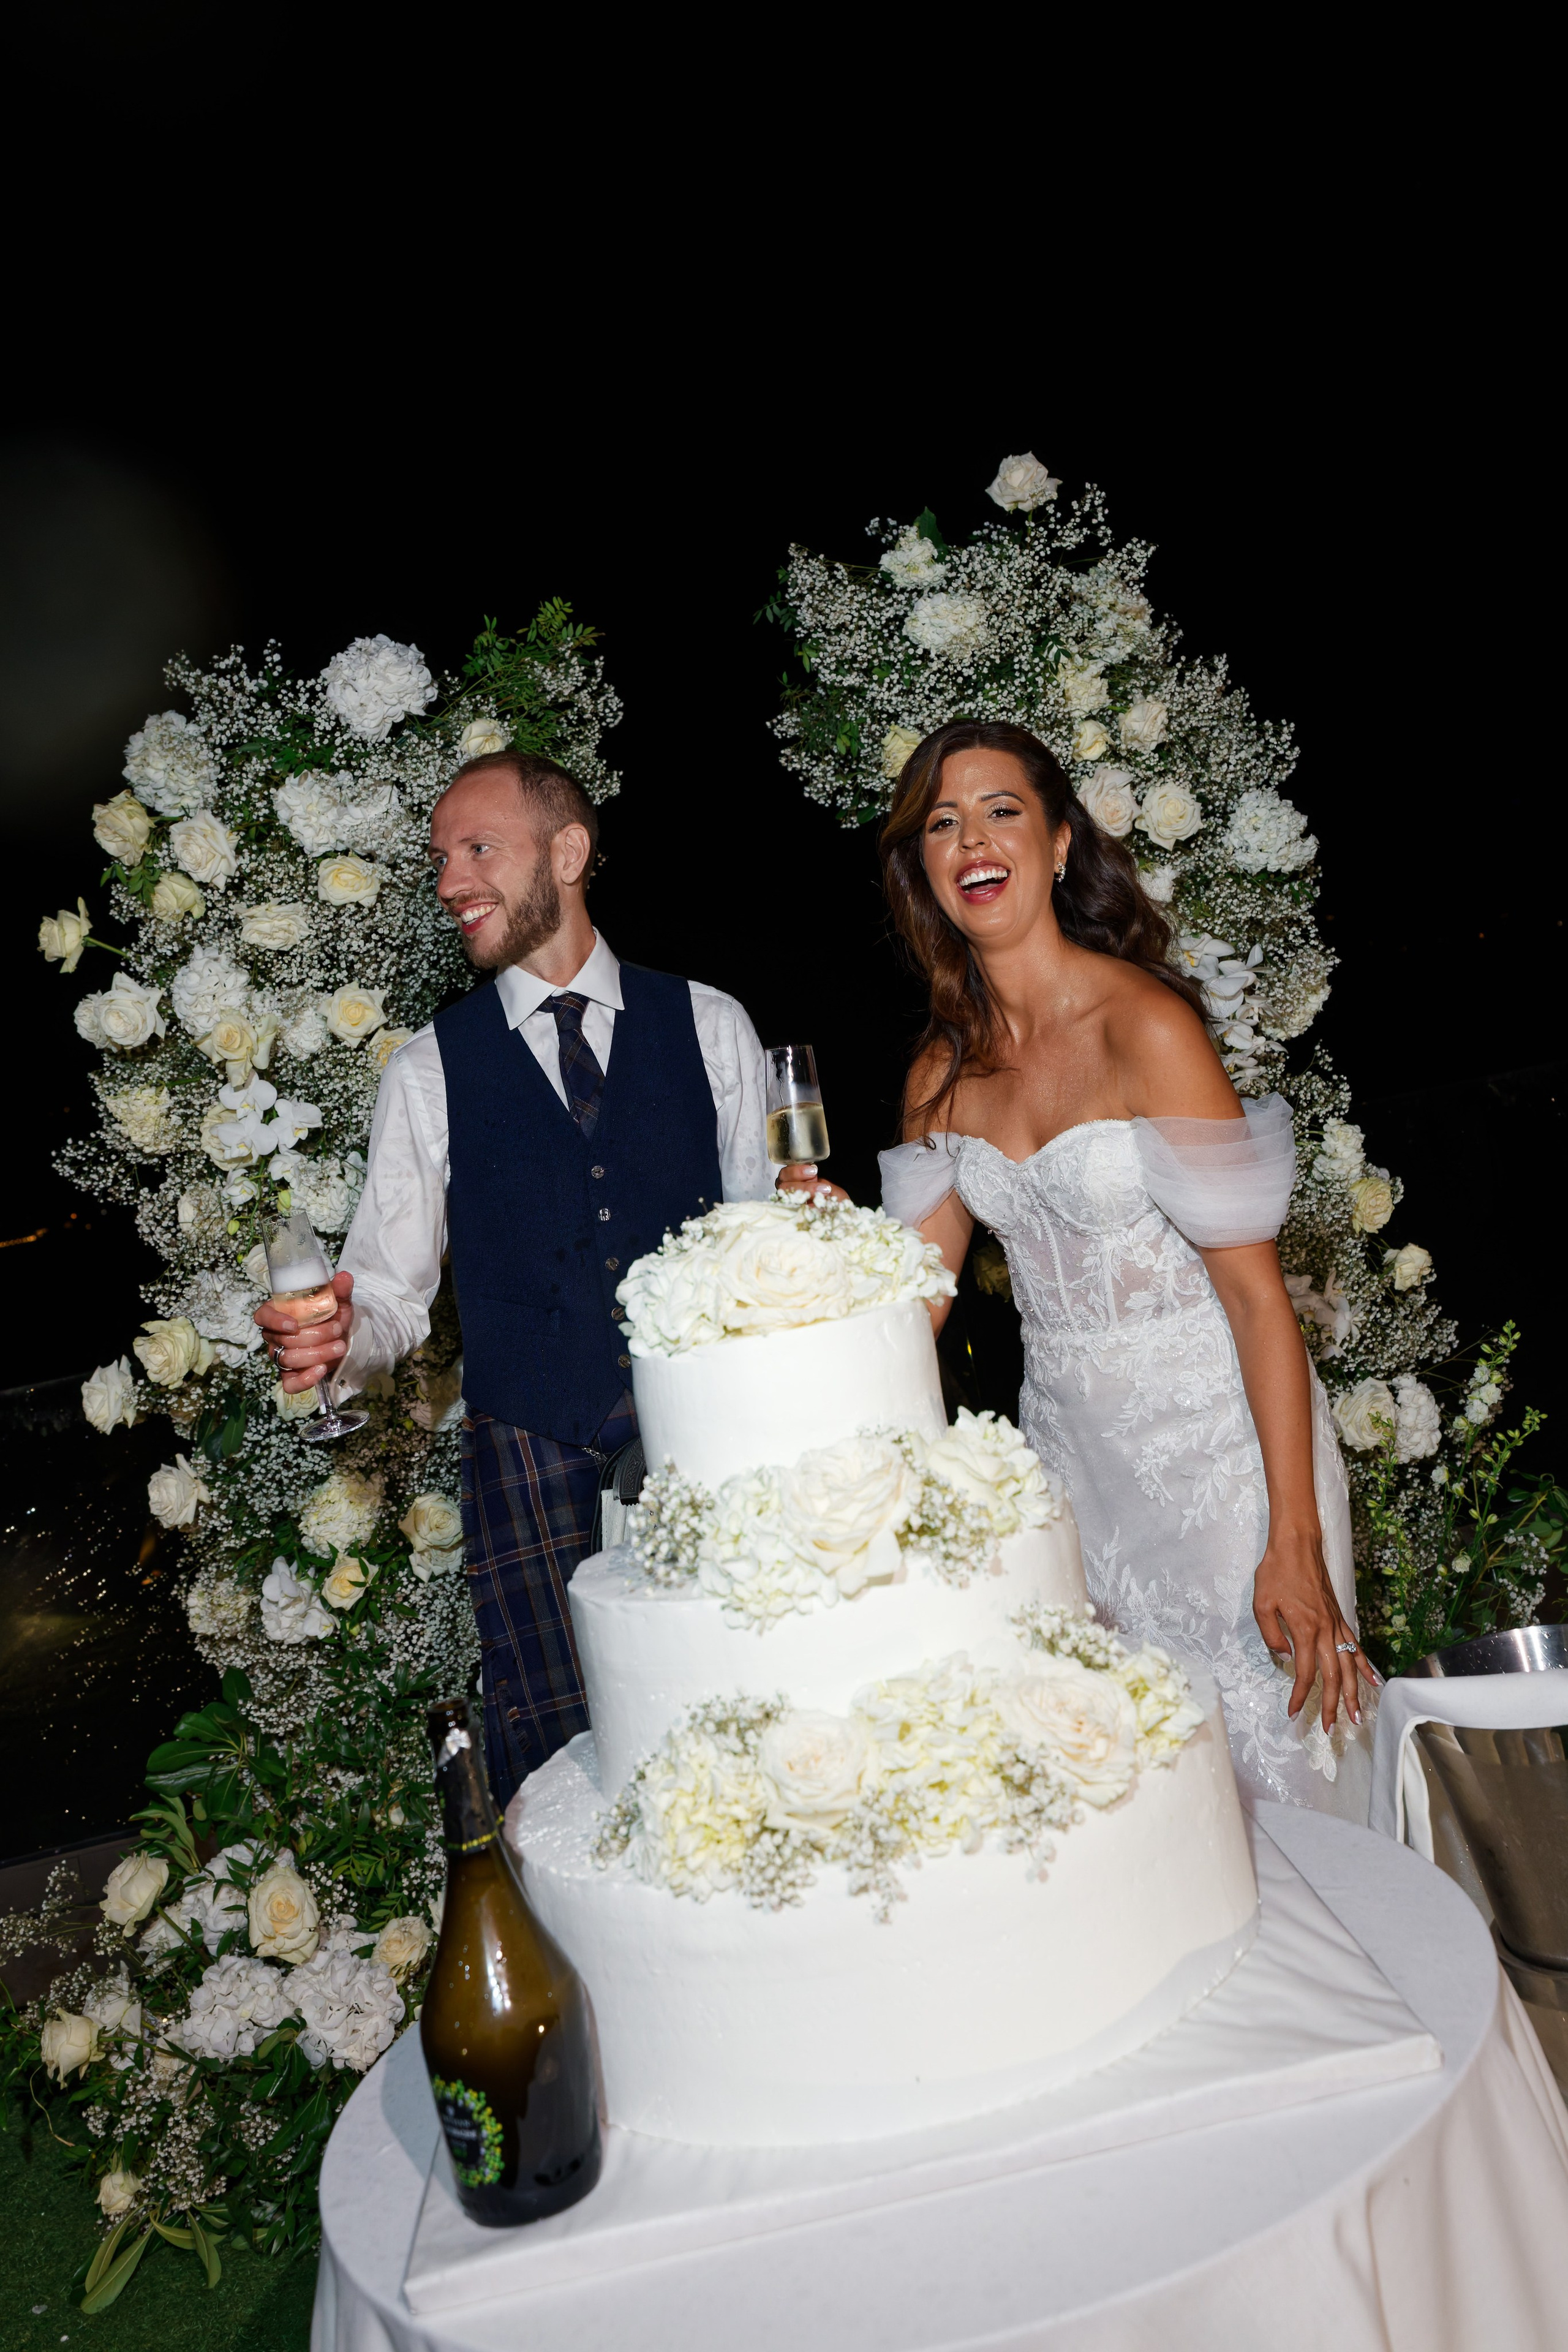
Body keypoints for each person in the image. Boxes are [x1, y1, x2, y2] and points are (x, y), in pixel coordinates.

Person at [255, 750, 783, 1807]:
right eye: (441, 859)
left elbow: (766, 1249)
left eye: (479, 848)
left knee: (752, 1726)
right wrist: (337, 1340)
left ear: (570, 853)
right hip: (528, 1462)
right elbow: (392, 1296)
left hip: (710, 1448)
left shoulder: (712, 1025)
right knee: (567, 1783)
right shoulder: (424, 1072)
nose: (451, 881)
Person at [874, 720, 1378, 1816]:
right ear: (924, 868)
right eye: (942, 823)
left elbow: (1257, 1301)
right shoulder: (938, 1075)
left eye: (1001, 809)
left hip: (1231, 1474)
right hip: (1078, 1490)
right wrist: (816, 1255)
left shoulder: (1147, 1026)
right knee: (1146, 1809)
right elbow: (903, 1316)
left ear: (1058, 844)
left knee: (1289, 1800)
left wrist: (1291, 1538)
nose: (972, 839)